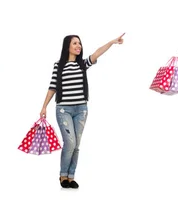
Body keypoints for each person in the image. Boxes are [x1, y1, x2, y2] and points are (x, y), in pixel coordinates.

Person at [40, 33, 124, 189]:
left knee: (76, 145)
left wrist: (112, 42)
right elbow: (52, 87)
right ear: (67, 47)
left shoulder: (82, 64)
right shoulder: (58, 65)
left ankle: (71, 177)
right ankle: (63, 175)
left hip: (81, 110)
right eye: (75, 43)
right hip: (64, 110)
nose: (78, 46)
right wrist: (44, 106)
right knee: (70, 143)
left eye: (79, 43)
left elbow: (97, 52)